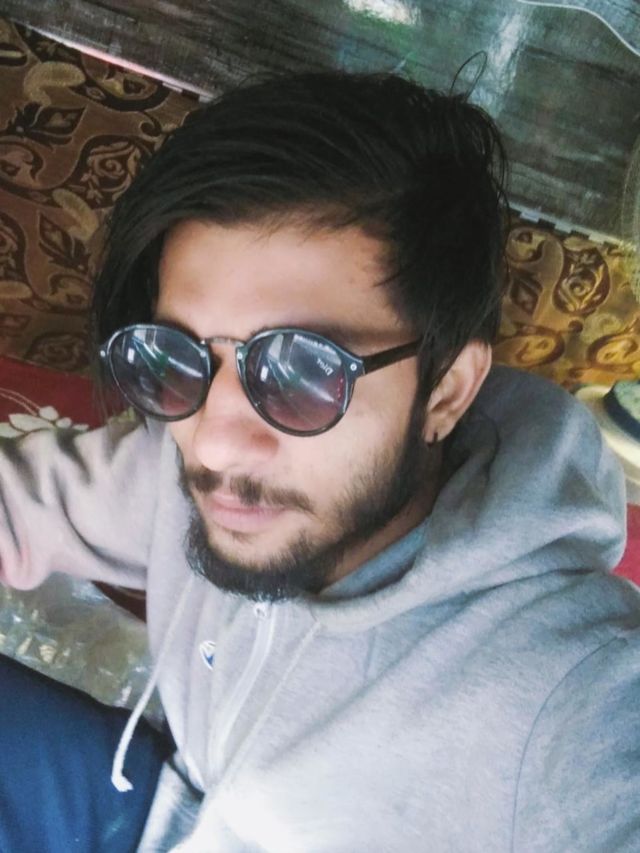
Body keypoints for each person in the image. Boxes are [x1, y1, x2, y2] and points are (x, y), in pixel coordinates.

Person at [0, 70, 638, 853]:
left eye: (302, 372)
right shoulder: (200, 464)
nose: (214, 441)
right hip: (162, 810)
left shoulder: (569, 698)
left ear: (445, 390)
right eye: (175, 354)